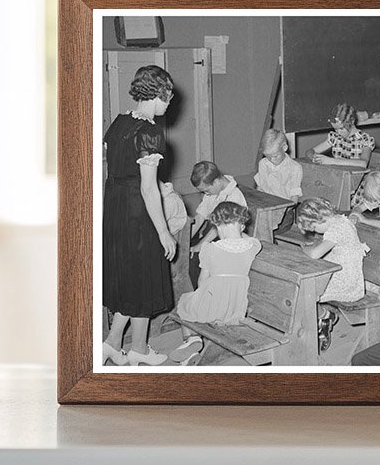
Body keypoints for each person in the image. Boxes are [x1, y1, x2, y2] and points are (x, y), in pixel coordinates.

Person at [101, 64, 178, 367]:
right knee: (144, 278)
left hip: (115, 208)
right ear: (159, 95)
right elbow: (149, 189)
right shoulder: (150, 132)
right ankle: (139, 351)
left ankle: (113, 343)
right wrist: (163, 231)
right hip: (137, 211)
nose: (169, 106)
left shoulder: (119, 123)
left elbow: (112, 168)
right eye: (168, 100)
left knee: (129, 279)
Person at [173, 202, 262, 365]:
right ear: (241, 226)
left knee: (184, 302)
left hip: (212, 305)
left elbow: (202, 281)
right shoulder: (251, 247)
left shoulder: (210, 249)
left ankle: (191, 339)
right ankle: (193, 343)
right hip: (236, 307)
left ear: (218, 227)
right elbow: (255, 241)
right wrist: (240, 233)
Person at [295, 196, 370, 352]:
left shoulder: (336, 229)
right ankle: (323, 317)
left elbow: (315, 254)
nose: (315, 232)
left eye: (314, 228)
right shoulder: (339, 221)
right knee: (302, 289)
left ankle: (324, 317)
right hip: (340, 274)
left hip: (347, 283)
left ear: (318, 219)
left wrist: (304, 249)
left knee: (304, 293)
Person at [189, 161, 247, 286]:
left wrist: (201, 245)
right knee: (189, 251)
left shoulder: (234, 196)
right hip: (213, 233)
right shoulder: (213, 192)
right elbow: (200, 217)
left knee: (197, 258)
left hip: (227, 238)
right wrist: (185, 240)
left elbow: (220, 228)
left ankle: (203, 292)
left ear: (216, 182)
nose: (206, 194)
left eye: (206, 190)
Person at [306, 103, 375, 168]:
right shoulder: (335, 138)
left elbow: (363, 163)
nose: (338, 132)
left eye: (341, 128)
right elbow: (310, 151)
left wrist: (331, 161)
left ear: (352, 122)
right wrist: (314, 157)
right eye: (335, 129)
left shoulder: (364, 139)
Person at [255, 128, 303, 201]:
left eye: (275, 156)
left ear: (284, 148)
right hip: (266, 201)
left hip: (284, 205)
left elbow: (294, 196)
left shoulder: (295, 168)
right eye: (268, 157)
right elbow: (260, 187)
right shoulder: (263, 164)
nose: (271, 160)